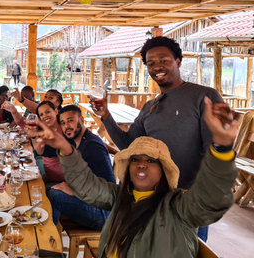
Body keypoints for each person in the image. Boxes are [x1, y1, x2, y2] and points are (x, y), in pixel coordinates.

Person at [31, 97, 238, 258]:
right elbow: (86, 184)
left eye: (151, 161)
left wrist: (221, 150)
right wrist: (66, 149)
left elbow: (210, 201)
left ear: (164, 170)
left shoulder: (177, 207)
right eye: (135, 159)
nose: (141, 164)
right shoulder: (120, 197)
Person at [92, 37, 224, 241]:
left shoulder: (204, 96)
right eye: (150, 63)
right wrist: (106, 116)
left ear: (178, 61)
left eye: (164, 60)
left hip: (187, 201)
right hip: (151, 199)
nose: (157, 67)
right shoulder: (149, 107)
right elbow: (129, 145)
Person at [47, 105, 115, 229]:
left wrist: (75, 190)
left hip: (102, 213)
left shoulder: (93, 147)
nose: (66, 126)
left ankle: (49, 242)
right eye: (63, 123)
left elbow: (109, 190)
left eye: (70, 120)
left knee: (54, 195)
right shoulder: (75, 141)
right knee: (43, 187)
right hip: (87, 201)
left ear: (82, 120)